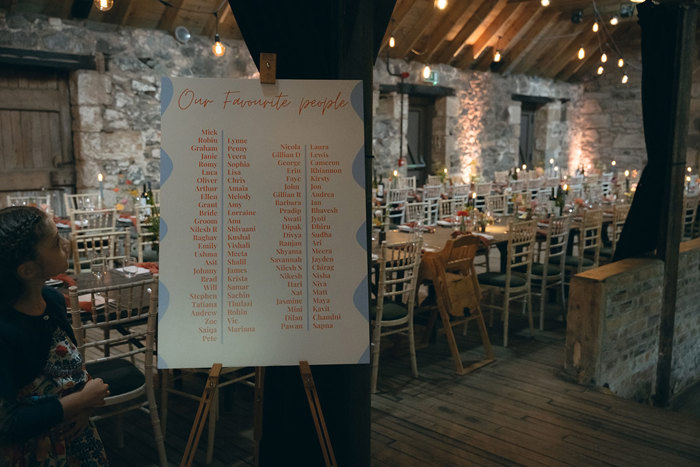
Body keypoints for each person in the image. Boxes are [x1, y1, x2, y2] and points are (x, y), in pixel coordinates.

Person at [0, 206, 110, 465]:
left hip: (77, 441)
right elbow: (6, 422)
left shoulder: (53, 300)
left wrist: (83, 406)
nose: (66, 242)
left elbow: (72, 367)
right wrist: (81, 400)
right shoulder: (5, 330)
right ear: (27, 270)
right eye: (54, 241)